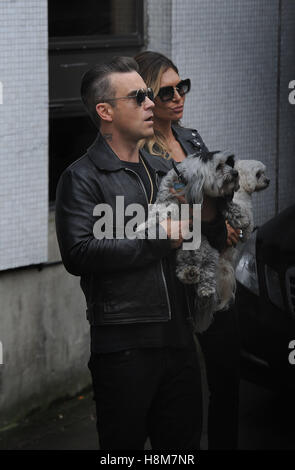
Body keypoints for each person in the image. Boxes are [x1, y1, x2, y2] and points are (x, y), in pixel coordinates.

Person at [55, 56, 203, 450]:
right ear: (105, 111)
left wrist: (217, 232)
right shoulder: (81, 178)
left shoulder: (163, 170)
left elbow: (190, 238)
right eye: (139, 97)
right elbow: (79, 253)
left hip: (181, 341)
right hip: (124, 348)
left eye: (149, 95)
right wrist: (157, 238)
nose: (151, 104)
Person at [134, 50, 241, 450]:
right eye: (167, 92)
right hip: (178, 276)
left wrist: (228, 221)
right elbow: (166, 212)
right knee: (178, 395)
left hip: (218, 271)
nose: (179, 97)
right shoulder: (141, 153)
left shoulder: (190, 137)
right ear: (146, 98)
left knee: (227, 376)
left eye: (183, 87)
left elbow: (216, 188)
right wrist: (213, 223)